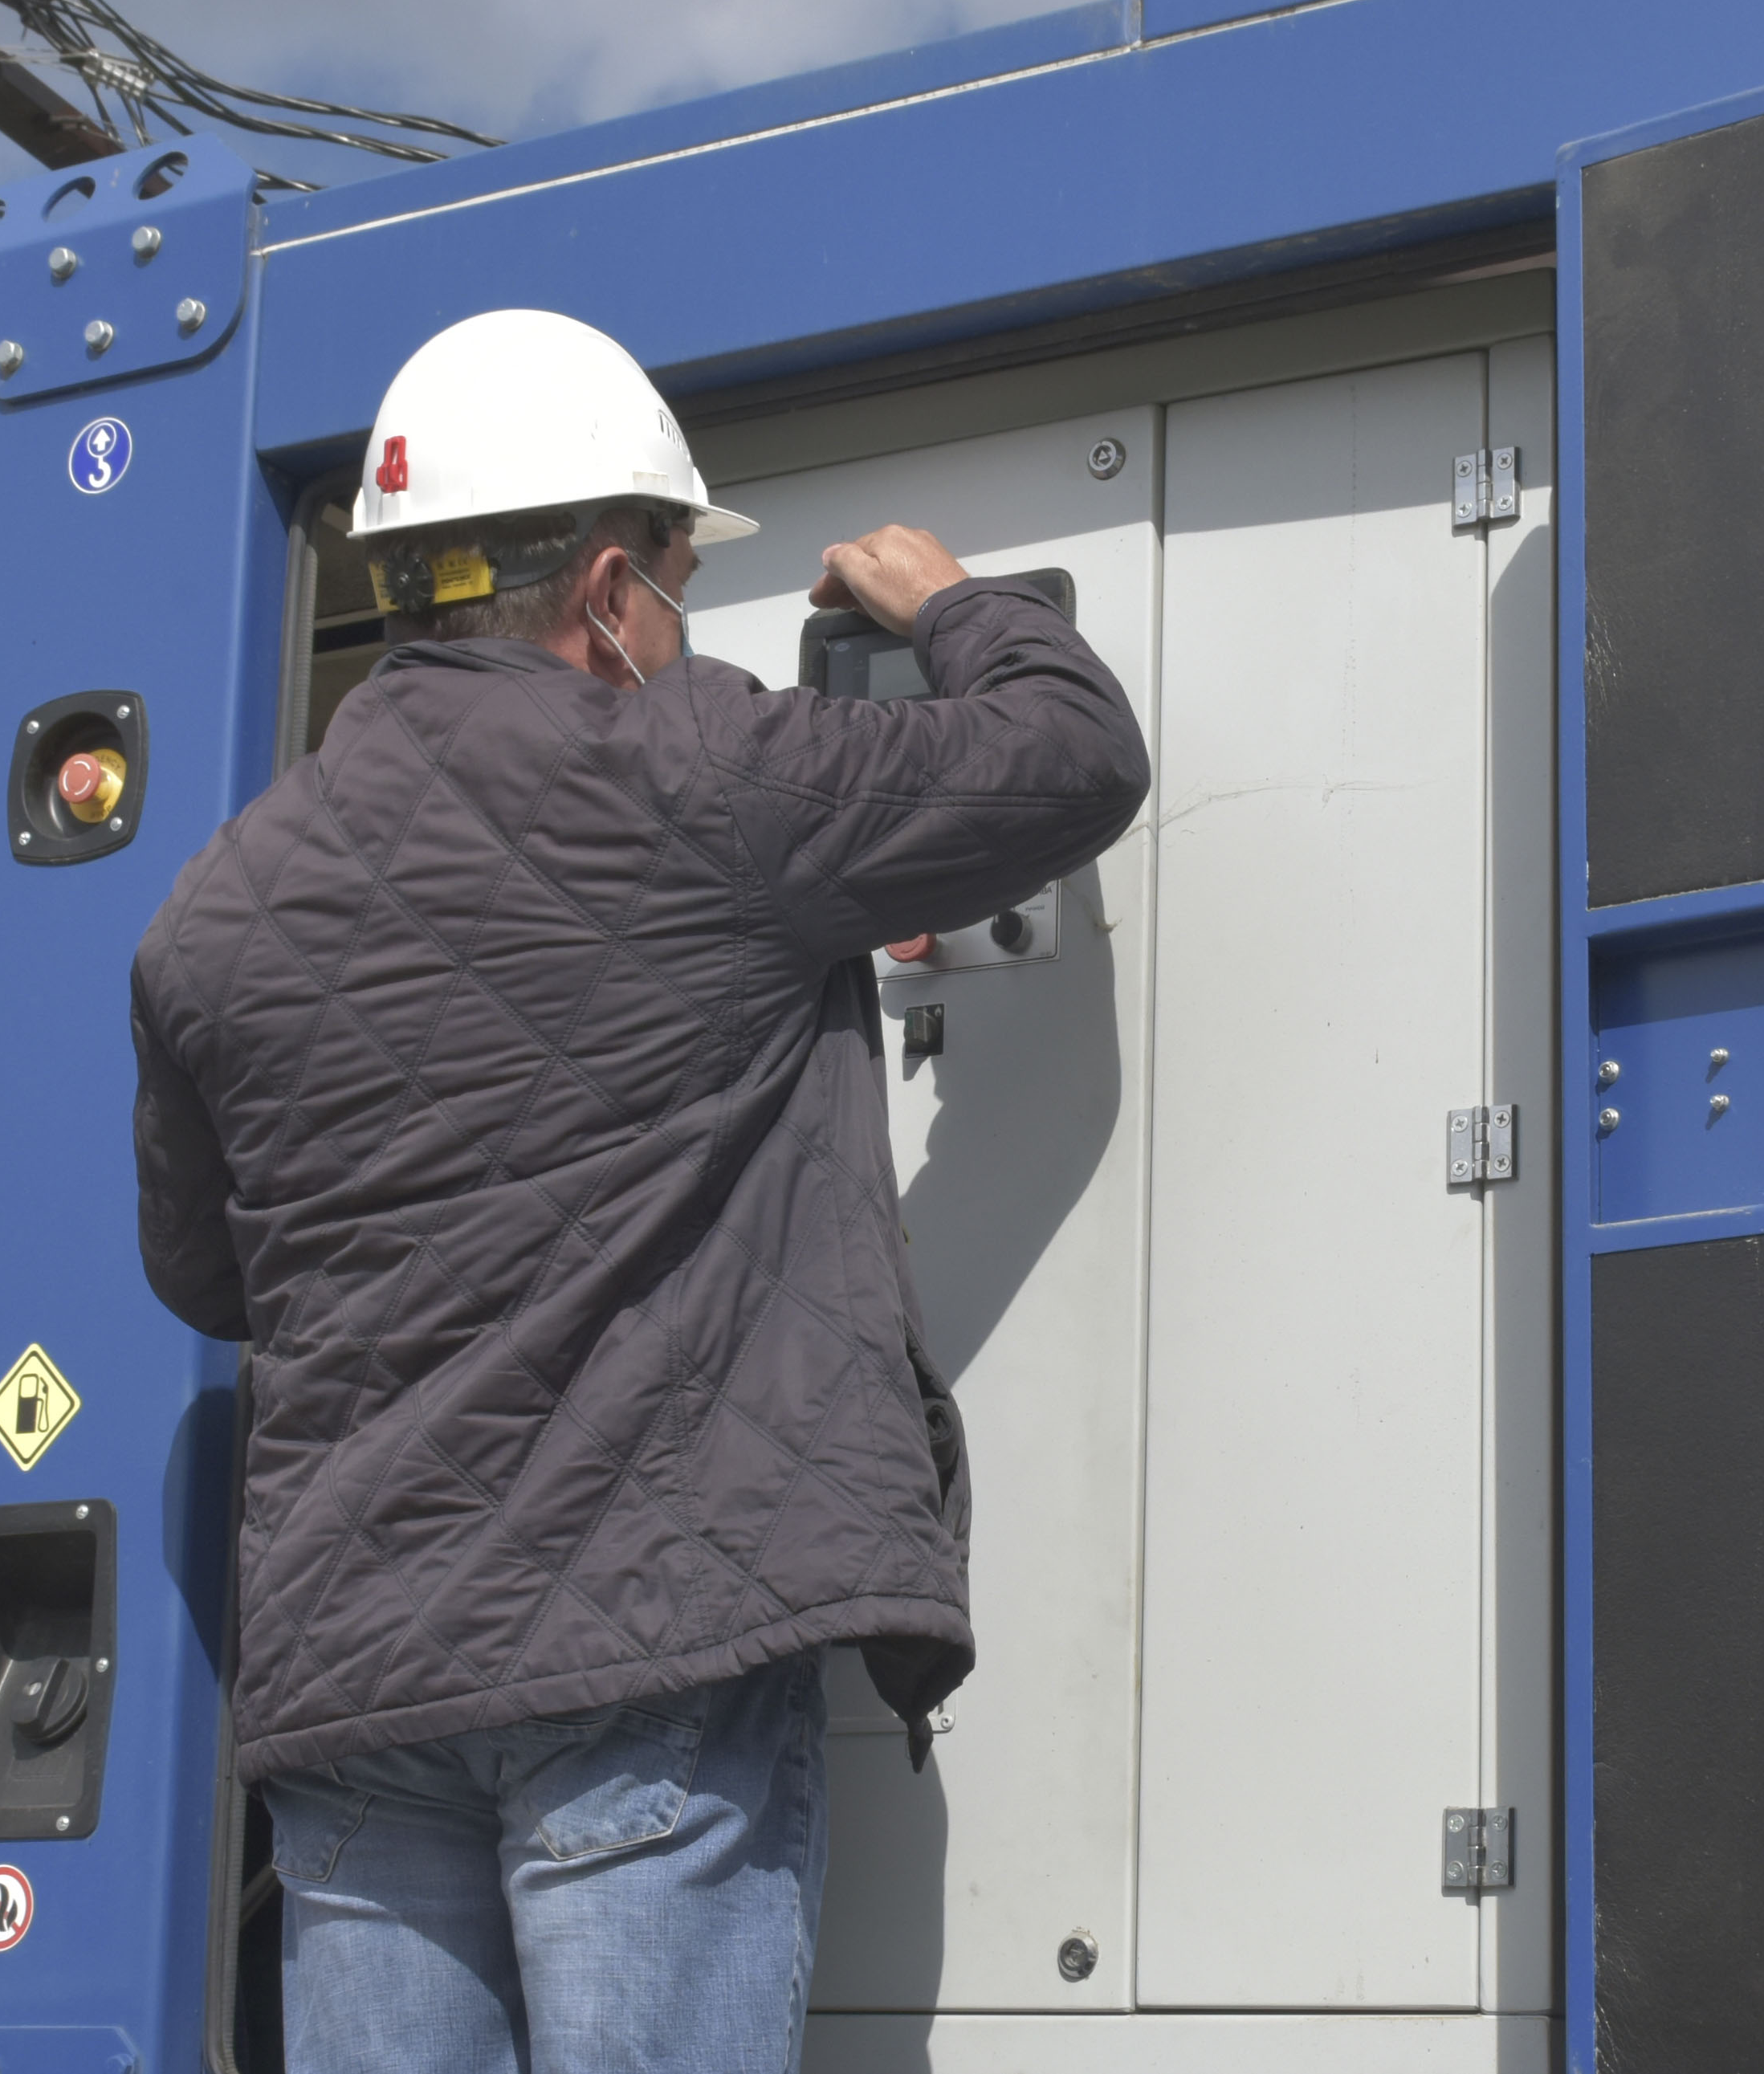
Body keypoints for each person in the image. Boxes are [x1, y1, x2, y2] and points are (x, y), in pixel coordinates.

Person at [130, 308, 1150, 2074]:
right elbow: (1073, 755)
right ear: (610, 588)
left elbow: (208, 1277)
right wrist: (949, 606)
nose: (681, 627)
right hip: (642, 1643)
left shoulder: (213, 908)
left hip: (357, 1687)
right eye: (680, 584)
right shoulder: (702, 769)